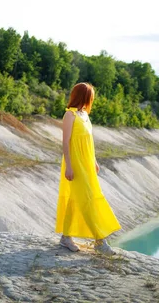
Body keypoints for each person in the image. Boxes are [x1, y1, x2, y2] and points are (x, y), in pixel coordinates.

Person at [55, 82, 121, 255]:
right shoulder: (70, 115)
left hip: (87, 163)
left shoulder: (84, 114)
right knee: (88, 199)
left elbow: (88, 141)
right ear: (83, 96)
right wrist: (69, 166)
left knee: (76, 199)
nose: (92, 99)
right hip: (75, 163)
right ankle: (100, 240)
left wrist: (94, 160)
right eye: (90, 96)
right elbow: (66, 142)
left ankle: (66, 237)